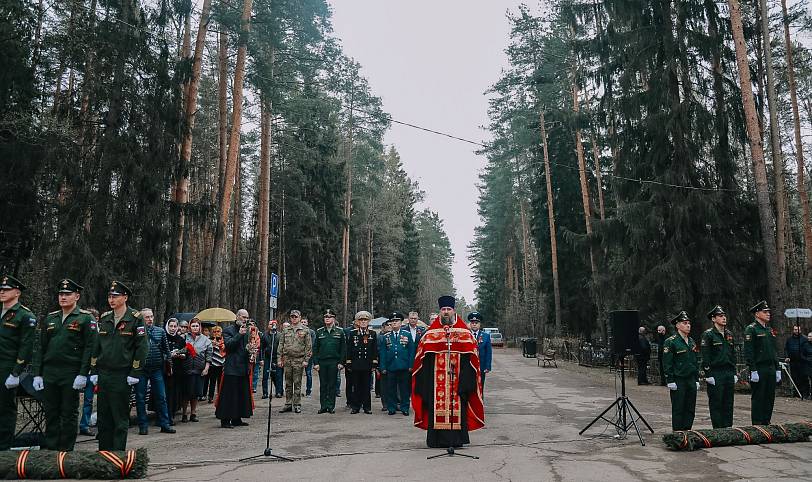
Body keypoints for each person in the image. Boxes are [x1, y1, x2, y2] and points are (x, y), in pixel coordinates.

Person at [31, 278, 95, 451]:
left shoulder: (85, 318)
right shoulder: (51, 318)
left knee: (68, 413)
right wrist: (37, 373)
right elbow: (41, 348)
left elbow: (90, 348)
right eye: (61, 294)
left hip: (71, 372)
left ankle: (66, 451)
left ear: (77, 296)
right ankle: (51, 449)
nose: (63, 297)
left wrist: (83, 373)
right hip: (50, 372)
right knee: (51, 412)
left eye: (67, 294)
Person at [413, 296, 484, 448]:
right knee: (435, 407)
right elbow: (422, 358)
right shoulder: (430, 334)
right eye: (443, 310)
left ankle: (456, 440)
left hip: (458, 380)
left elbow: (472, 358)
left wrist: (466, 380)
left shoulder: (465, 333)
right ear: (440, 312)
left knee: (458, 407)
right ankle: (436, 440)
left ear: (453, 311)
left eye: (448, 309)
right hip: (435, 382)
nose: (446, 312)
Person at [89, 280, 148, 451]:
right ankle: (104, 454)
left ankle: (117, 455)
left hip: (122, 375)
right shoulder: (106, 318)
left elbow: (142, 347)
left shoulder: (135, 318)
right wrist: (93, 369)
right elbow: (97, 346)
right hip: (104, 374)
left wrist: (135, 371)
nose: (111, 299)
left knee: (119, 417)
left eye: (115, 296)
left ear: (125, 297)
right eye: (110, 296)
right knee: (103, 417)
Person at [0, 274, 36, 450]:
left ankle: (4, 448)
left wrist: (16, 373)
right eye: (2, 289)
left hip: (7, 367)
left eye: (6, 290)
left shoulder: (25, 315)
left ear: (17, 292)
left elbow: (26, 346)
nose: (2, 292)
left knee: (5, 409)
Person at [133, 308, 174, 435]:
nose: (150, 319)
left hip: (157, 369)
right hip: (141, 370)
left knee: (161, 397)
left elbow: (166, 350)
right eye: (147, 317)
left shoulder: (160, 331)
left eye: (151, 316)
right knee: (140, 398)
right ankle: (143, 425)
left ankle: (165, 424)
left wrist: (170, 366)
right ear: (142, 318)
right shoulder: (136, 332)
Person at [744, 300, 780, 425]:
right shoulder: (751, 329)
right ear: (757, 314)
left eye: (768, 312)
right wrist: (753, 369)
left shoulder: (769, 330)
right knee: (759, 397)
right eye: (765, 312)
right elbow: (749, 352)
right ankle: (758, 424)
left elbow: (773, 350)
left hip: (770, 367)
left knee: (770, 397)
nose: (768, 314)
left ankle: (766, 421)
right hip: (759, 368)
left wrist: (778, 368)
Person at [662, 311, 699, 431]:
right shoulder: (671, 341)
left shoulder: (692, 341)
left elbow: (695, 361)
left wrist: (697, 379)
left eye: (689, 323)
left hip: (690, 379)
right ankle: (678, 434)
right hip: (679, 380)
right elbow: (667, 362)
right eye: (684, 323)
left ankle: (687, 431)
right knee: (679, 408)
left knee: (690, 408)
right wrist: (670, 380)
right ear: (677, 326)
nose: (688, 325)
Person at [215, 309, 253, 428]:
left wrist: (251, 350)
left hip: (243, 367)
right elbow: (229, 346)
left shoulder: (247, 332)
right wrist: (239, 334)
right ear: (237, 317)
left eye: (247, 318)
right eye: (243, 317)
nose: (245, 320)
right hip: (232, 367)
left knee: (241, 394)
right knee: (229, 395)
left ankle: (237, 418)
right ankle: (225, 420)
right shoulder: (228, 330)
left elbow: (245, 347)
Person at [701, 305, 736, 428]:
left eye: (724, 315)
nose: (724, 318)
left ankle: (728, 427)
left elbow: (733, 354)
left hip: (728, 371)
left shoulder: (729, 334)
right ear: (713, 319)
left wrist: (734, 372)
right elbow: (705, 356)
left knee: (728, 401)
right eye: (720, 316)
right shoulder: (709, 335)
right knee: (716, 401)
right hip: (716, 372)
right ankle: (718, 428)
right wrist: (708, 374)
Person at [379, 312, 414, 416]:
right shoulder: (386, 336)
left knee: (404, 389)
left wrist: (411, 365)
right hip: (391, 366)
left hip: (404, 366)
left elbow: (411, 351)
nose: (394, 323)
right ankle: (391, 408)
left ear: (401, 322)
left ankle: (405, 408)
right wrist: (383, 367)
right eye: (392, 321)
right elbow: (383, 353)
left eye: (396, 321)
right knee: (391, 389)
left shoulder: (406, 334)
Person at [278, 310, 311, 413]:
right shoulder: (286, 330)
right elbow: (281, 345)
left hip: (298, 359)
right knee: (288, 383)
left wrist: (306, 360)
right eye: (292, 317)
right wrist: (279, 359)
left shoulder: (305, 330)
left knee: (297, 383)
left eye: (296, 317)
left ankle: (297, 404)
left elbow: (308, 346)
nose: (294, 318)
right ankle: (288, 403)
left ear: (300, 317)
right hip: (287, 360)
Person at [313, 309, 346, 414]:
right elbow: (315, 349)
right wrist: (316, 363)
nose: (327, 319)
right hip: (322, 362)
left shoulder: (340, 331)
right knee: (323, 385)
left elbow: (343, 349)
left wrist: (341, 362)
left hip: (334, 361)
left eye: (329, 317)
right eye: (325, 317)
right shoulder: (319, 331)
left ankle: (331, 406)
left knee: (332, 384)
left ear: (334, 319)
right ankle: (323, 406)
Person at [346, 311, 378, 414]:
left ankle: (367, 407)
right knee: (356, 386)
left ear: (368, 322)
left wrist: (374, 363)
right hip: (356, 364)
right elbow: (349, 349)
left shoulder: (372, 334)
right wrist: (349, 362)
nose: (363, 322)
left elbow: (374, 350)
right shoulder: (353, 333)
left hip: (367, 365)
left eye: (365, 320)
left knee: (366, 387)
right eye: (361, 320)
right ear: (357, 322)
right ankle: (355, 406)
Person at [182, 319, 212, 423]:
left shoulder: (206, 340)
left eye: (197, 326)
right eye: (193, 326)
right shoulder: (184, 337)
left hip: (199, 370)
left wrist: (206, 368)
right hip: (186, 369)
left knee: (195, 393)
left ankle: (193, 413)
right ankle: (184, 413)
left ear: (200, 327)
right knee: (186, 393)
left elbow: (209, 356)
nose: (195, 328)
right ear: (190, 327)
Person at [79, 307, 100, 437]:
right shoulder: (80, 332)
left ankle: (84, 425)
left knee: (88, 399)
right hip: (79, 369)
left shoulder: (99, 331)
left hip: (93, 370)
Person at [164, 318, 186, 423]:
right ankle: (163, 415)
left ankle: (171, 414)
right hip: (164, 369)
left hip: (177, 369)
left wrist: (181, 355)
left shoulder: (180, 339)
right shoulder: (163, 337)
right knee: (165, 393)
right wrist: (168, 355)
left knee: (173, 393)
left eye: (174, 326)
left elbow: (185, 353)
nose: (172, 328)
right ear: (167, 326)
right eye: (171, 326)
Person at [467, 312, 492, 389]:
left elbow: (488, 353)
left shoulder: (486, 336)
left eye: (476, 323)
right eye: (472, 322)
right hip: (469, 366)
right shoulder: (466, 335)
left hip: (481, 366)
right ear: (470, 324)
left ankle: (480, 400)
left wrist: (487, 366)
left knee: (480, 385)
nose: (474, 324)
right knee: (469, 386)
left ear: (480, 324)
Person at [784, 325, 809, 399]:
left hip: (802, 362)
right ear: (793, 330)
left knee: (803, 378)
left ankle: (805, 394)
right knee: (795, 377)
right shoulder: (789, 339)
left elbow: (807, 349)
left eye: (798, 329)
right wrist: (787, 356)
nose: (796, 331)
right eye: (795, 329)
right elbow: (786, 349)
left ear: (800, 330)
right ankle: (796, 393)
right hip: (793, 362)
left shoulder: (804, 339)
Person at [261, 320, 281, 399]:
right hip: (267, 358)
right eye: (270, 324)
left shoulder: (280, 335)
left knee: (278, 375)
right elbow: (262, 348)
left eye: (274, 324)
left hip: (276, 358)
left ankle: (278, 392)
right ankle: (265, 393)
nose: (272, 326)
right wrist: (261, 359)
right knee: (265, 376)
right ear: (268, 325)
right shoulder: (264, 335)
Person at [207, 325, 225, 403]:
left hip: (222, 363)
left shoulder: (223, 340)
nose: (216, 333)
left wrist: (219, 344)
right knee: (212, 381)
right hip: (213, 364)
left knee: (220, 381)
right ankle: (210, 397)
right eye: (214, 332)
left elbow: (225, 350)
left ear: (221, 332)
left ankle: (220, 395)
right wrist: (212, 345)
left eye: (218, 331)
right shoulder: (209, 340)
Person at [376, 320, 391, 410]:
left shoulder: (394, 336)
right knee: (384, 386)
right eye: (387, 325)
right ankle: (385, 404)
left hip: (393, 364)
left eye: (390, 325)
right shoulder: (380, 337)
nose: (389, 327)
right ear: (383, 327)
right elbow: (377, 351)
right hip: (383, 364)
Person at [301, 317, 316, 397]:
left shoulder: (312, 332)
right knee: (298, 374)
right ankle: (298, 391)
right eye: (302, 322)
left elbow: (312, 344)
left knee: (308, 373)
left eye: (304, 322)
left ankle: (308, 391)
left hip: (308, 356)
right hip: (298, 356)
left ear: (307, 323)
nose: (303, 323)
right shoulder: (297, 331)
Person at [803, 332, 812, 400]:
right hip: (808, 365)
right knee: (808, 381)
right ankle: (808, 394)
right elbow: (802, 354)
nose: (809, 337)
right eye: (808, 336)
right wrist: (807, 359)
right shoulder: (805, 345)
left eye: (810, 336)